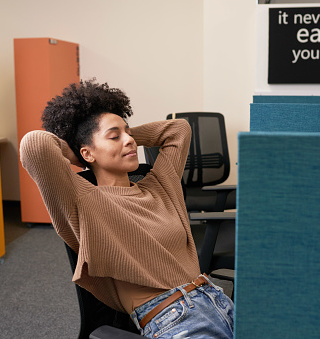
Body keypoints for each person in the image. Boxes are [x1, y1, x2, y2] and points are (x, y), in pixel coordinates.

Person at [20, 79, 234, 338]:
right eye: (114, 136)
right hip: (174, 319)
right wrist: (77, 150)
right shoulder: (84, 203)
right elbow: (34, 145)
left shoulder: (160, 185)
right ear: (88, 154)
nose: (129, 141)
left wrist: (122, 137)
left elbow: (179, 129)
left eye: (129, 132)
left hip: (219, 301)